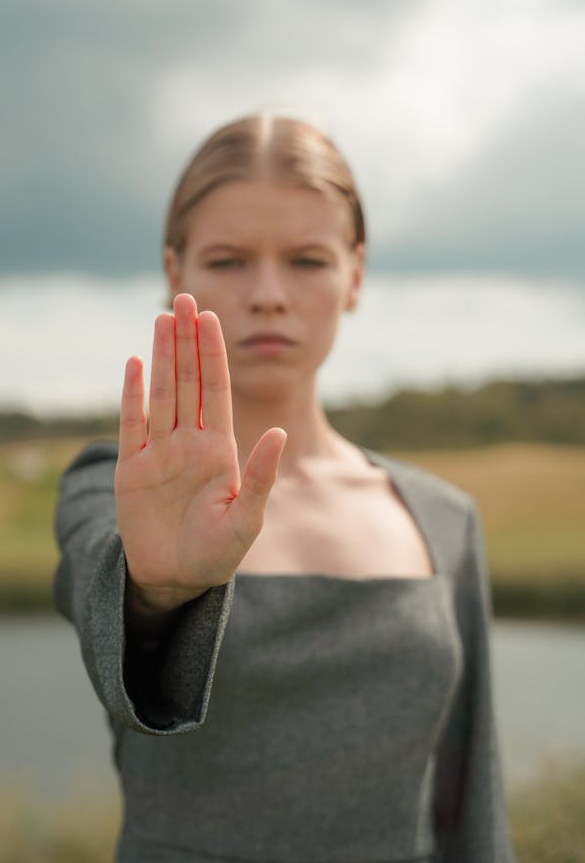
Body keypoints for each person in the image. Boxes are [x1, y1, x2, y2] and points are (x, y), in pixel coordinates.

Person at [53, 113, 515, 863]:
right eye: (229, 260)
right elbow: (113, 628)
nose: (268, 294)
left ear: (355, 274)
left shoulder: (443, 517)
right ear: (176, 274)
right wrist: (159, 590)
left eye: (307, 259)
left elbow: (475, 810)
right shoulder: (110, 493)